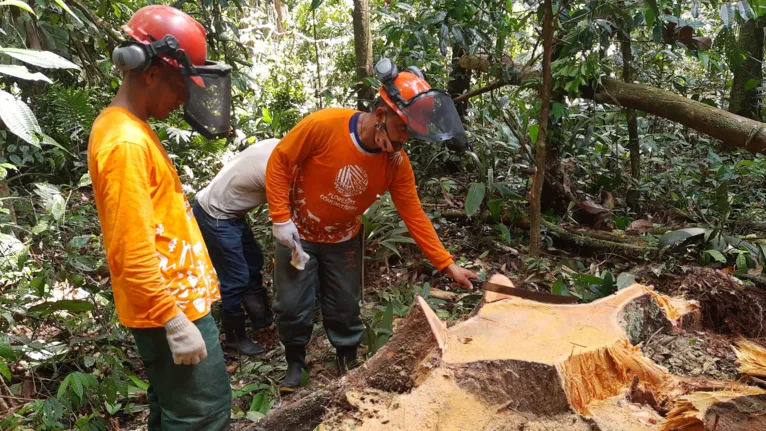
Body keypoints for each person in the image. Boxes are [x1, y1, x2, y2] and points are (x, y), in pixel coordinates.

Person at [265, 58, 479, 392]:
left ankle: (347, 357)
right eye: (401, 130)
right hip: (298, 233)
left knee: (345, 304)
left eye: (410, 134)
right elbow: (280, 161)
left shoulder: (396, 162)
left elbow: (414, 213)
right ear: (381, 115)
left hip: (344, 237)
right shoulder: (325, 125)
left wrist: (446, 263)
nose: (402, 142)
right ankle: (295, 361)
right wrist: (280, 218)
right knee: (292, 305)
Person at [87, 5, 233, 429]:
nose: (185, 99)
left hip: (173, 302)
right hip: (169, 307)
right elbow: (130, 249)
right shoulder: (124, 143)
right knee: (201, 414)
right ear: (151, 74)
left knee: (172, 408)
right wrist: (172, 320)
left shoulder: (132, 128)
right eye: (180, 88)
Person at [192, 138, 281, 356]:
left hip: (231, 213)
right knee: (236, 278)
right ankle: (235, 337)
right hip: (214, 215)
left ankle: (261, 320)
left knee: (253, 262)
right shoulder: (274, 170)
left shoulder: (278, 146)